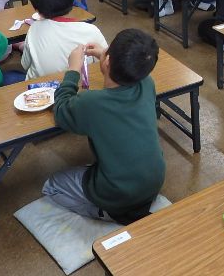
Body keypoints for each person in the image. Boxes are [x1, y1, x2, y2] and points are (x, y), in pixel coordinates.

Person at [42, 29, 165, 224]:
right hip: (153, 183)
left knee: (51, 186)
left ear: (107, 61)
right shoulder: (147, 83)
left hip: (116, 193)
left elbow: (61, 111)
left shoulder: (92, 102)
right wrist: (105, 55)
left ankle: (106, 212)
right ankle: (122, 206)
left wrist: (73, 70)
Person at [21, 0, 108, 80]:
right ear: (71, 2)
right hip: (81, 85)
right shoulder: (92, 30)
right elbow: (105, 62)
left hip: (42, 88)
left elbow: (25, 65)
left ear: (37, 10)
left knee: (12, 76)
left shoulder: (34, 28)